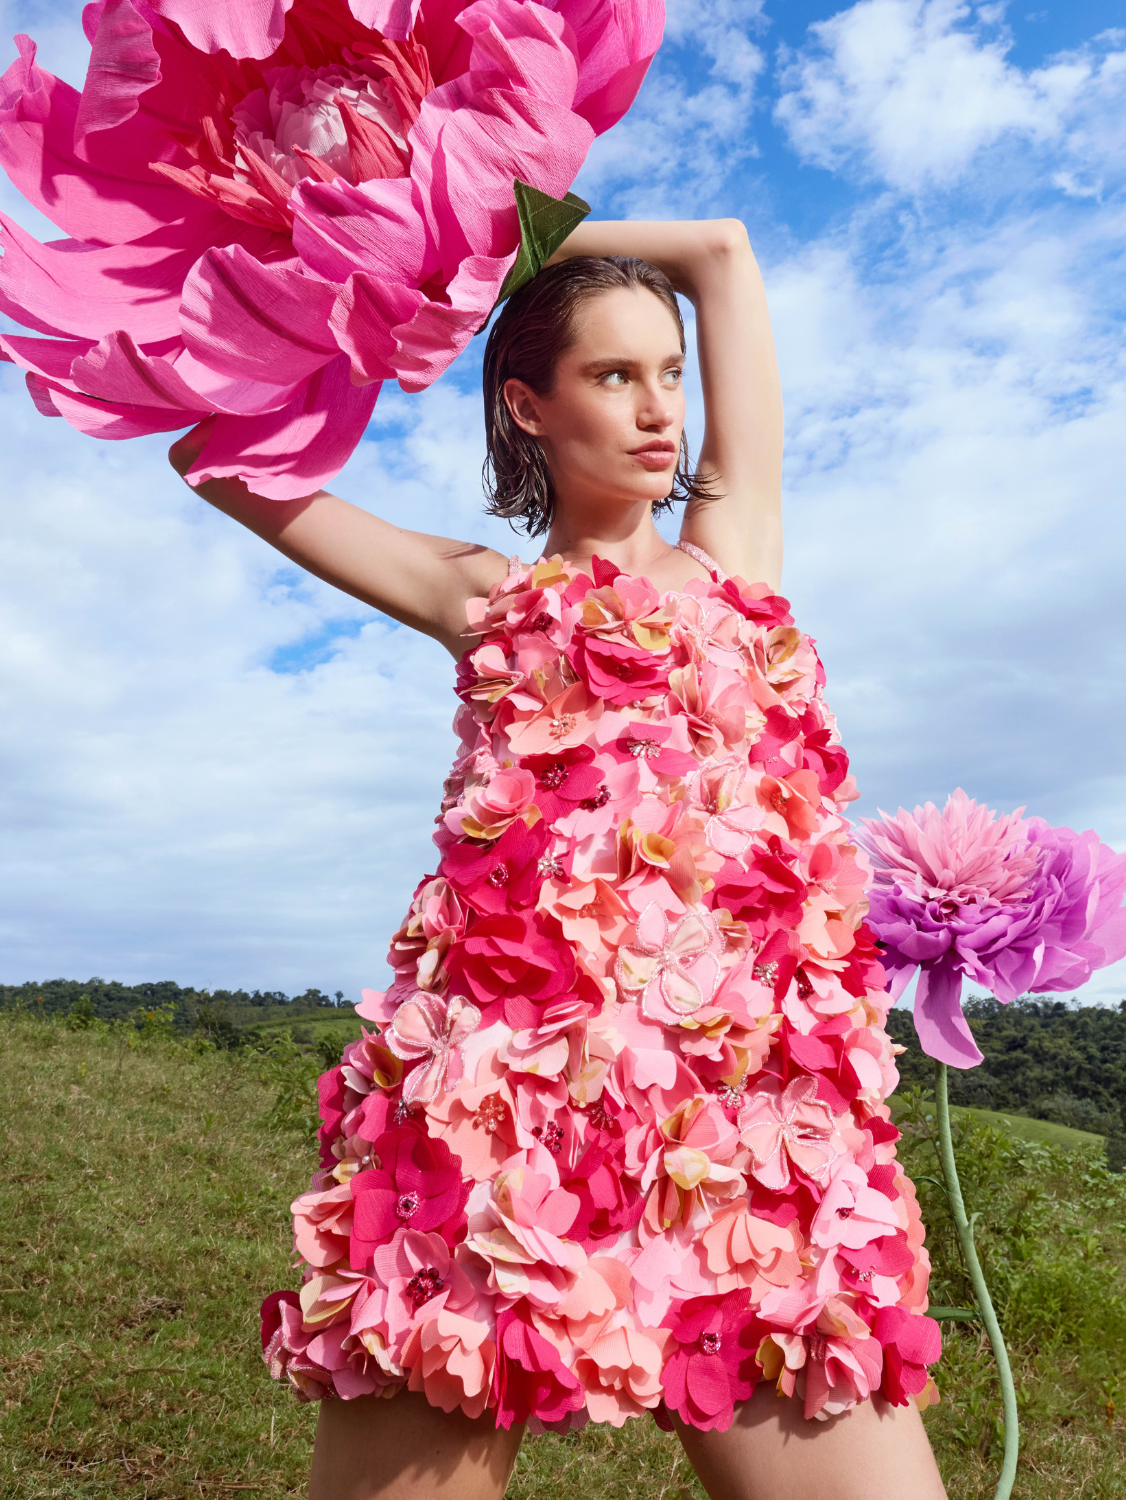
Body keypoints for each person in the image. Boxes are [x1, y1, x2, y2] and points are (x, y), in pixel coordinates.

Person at [170, 220, 948, 1500]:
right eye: (613, 376)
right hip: (499, 1132)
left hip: (748, 1144)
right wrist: (348, 266)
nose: (659, 412)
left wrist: (473, 215)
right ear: (527, 404)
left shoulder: (732, 558)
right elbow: (211, 455)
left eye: (671, 375)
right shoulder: (479, 594)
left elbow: (726, 252)